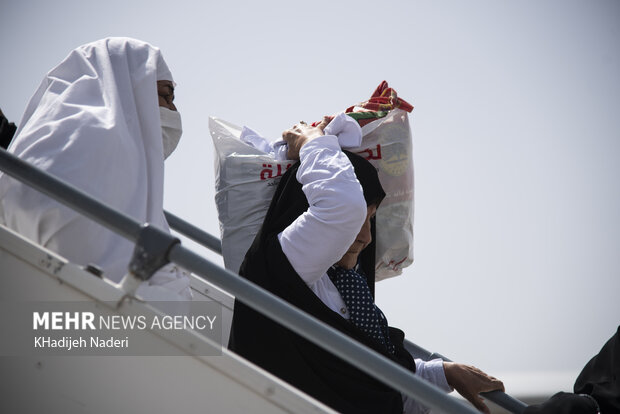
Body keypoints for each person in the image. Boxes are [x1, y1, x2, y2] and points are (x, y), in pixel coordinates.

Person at [228, 118, 504, 413]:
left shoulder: (341, 285)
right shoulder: (287, 261)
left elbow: (377, 384)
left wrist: (442, 373)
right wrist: (312, 141)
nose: (366, 237)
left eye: (371, 218)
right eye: (359, 219)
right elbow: (342, 207)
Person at [0, 37, 191, 299]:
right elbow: (100, 266)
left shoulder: (59, 143)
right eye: (165, 96)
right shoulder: (94, 148)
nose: (173, 109)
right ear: (127, 88)